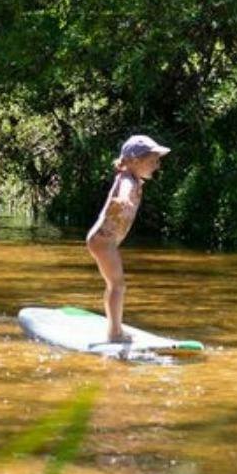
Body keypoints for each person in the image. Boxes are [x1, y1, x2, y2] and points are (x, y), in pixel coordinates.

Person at [86, 135, 170, 344]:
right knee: (117, 285)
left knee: (114, 284)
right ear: (134, 161)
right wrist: (123, 200)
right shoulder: (126, 180)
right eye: (152, 161)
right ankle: (114, 333)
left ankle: (114, 328)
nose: (156, 165)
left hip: (105, 240)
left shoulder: (132, 179)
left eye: (157, 161)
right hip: (103, 241)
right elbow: (123, 191)